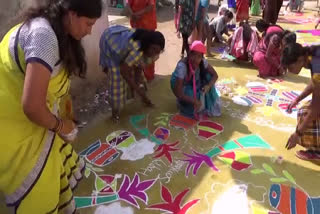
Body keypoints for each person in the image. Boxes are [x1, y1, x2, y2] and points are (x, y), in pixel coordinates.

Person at [0, 0, 102, 213]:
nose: (90, 31)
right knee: (38, 193)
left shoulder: (61, 33)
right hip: (12, 126)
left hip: (35, 124)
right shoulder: (43, 36)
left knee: (54, 178)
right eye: (88, 23)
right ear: (72, 14)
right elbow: (32, 106)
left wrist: (65, 119)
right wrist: (62, 126)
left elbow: (53, 91)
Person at [99, 25, 165, 122]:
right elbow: (124, 72)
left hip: (122, 41)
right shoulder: (137, 49)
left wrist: (137, 85)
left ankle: (134, 95)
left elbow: (138, 67)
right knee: (117, 82)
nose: (154, 53)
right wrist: (138, 90)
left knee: (138, 80)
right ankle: (115, 114)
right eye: (153, 49)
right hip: (110, 42)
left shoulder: (147, 50)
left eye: (157, 51)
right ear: (148, 45)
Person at [282, 43, 320, 160]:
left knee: (307, 115)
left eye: (290, 67)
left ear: (299, 60)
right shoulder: (311, 55)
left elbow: (315, 108)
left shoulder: (317, 64)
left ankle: (318, 152)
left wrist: (297, 134)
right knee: (304, 111)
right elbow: (315, 83)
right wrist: (297, 99)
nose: (289, 71)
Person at [171, 41, 221, 119]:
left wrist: (208, 86)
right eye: (193, 55)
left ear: (202, 57)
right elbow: (178, 93)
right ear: (189, 54)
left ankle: (204, 102)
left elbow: (215, 75)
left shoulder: (203, 62)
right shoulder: (182, 66)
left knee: (208, 77)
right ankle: (181, 103)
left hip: (193, 81)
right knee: (191, 99)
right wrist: (194, 101)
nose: (195, 59)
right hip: (179, 84)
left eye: (199, 56)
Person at [127, 0, 157, 81]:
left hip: (148, 26)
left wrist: (136, 14)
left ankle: (149, 75)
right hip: (136, 24)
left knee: (149, 51)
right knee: (137, 51)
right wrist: (132, 14)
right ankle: (138, 75)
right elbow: (128, 4)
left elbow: (151, 6)